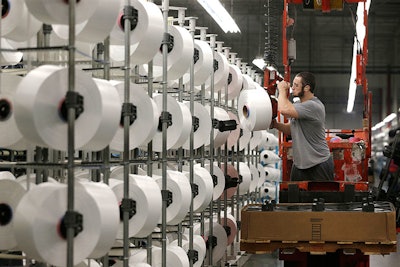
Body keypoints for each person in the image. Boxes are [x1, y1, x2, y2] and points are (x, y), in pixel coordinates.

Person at [270, 72, 334, 181]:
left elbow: (284, 110)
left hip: (319, 163)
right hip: (300, 165)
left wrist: (281, 91)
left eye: (296, 85)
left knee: (321, 197)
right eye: (292, 84)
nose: (292, 88)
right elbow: (293, 128)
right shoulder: (298, 105)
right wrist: (276, 125)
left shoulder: (313, 106)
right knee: (295, 197)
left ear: (307, 88)